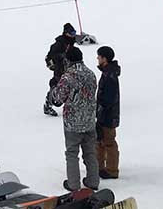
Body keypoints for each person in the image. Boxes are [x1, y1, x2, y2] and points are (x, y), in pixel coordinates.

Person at [48, 47, 99, 192]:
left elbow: (58, 99)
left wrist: (53, 88)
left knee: (72, 153)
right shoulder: (91, 74)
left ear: (67, 60)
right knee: (90, 152)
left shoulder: (68, 77)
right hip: (89, 120)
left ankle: (74, 184)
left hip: (73, 123)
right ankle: (93, 180)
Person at [95, 46, 120, 180]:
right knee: (100, 141)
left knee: (109, 142)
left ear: (104, 59)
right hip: (105, 115)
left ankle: (111, 169)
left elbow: (108, 99)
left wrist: (100, 110)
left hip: (108, 116)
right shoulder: (108, 73)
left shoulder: (109, 75)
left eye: (99, 56)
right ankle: (100, 166)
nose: (97, 59)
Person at [44, 24, 77, 116]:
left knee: (70, 87)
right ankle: (48, 105)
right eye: (72, 33)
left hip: (70, 68)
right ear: (66, 33)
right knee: (56, 86)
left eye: (74, 32)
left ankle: (69, 107)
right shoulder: (59, 43)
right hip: (60, 68)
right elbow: (50, 56)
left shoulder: (71, 42)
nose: (74, 35)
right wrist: (61, 57)